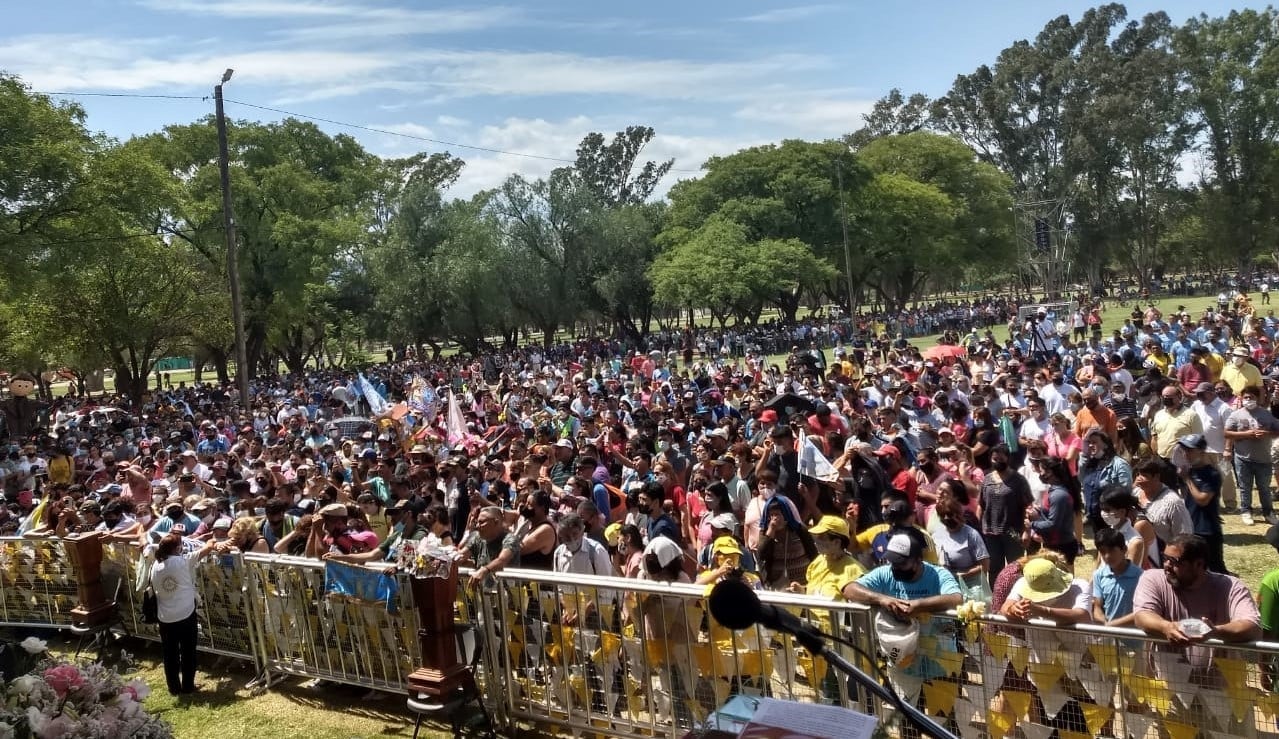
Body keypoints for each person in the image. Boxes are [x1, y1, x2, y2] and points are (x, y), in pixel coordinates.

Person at [1133, 534, 1260, 671]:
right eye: (1165, 558)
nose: (1166, 566)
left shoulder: (1231, 586)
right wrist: (1166, 627)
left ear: (1198, 564)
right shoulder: (1152, 578)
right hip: (1170, 677)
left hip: (1221, 682)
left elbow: (1251, 627)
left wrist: (1214, 631)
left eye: (1174, 561)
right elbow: (1142, 615)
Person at [149, 532, 217, 695]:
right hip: (185, 613)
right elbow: (208, 547)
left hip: (165, 617)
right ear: (178, 547)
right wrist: (212, 538)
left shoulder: (155, 566)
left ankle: (173, 687)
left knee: (169, 653)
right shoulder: (183, 561)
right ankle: (188, 686)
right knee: (188, 651)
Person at [1224, 384, 1279, 526]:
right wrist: (1246, 434)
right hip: (1243, 458)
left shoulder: (1266, 414)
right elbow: (1227, 433)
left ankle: (1268, 512)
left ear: (1257, 398)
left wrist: (1266, 433)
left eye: (1251, 397)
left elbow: (1277, 430)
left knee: (1264, 488)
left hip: (1264, 459)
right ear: (1241, 398)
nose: (1248, 399)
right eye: (1246, 397)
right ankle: (1246, 511)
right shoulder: (1235, 415)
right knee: (1244, 487)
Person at [1173, 434, 1225, 573]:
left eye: (1189, 450)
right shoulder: (1189, 471)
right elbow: (1186, 496)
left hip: (1207, 529)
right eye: (1184, 450)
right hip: (1191, 526)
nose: (1185, 454)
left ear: (1201, 451)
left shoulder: (1211, 473)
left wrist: (1187, 479)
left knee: (1215, 569)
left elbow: (1203, 499)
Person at [979, 444, 1033, 575]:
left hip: (1012, 532)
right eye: (995, 459)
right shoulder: (987, 479)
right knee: (994, 570)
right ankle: (996, 594)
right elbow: (981, 505)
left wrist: (1026, 531)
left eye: (1001, 459)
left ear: (1008, 459)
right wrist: (980, 528)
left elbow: (1028, 507)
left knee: (1015, 568)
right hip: (991, 533)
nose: (998, 462)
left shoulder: (1018, 480)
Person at [1000, 557, 1092, 625]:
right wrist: (1013, 609)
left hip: (1078, 647)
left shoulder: (1080, 586)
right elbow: (1005, 608)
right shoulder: (1022, 584)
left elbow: (1082, 616)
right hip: (1039, 648)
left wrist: (1042, 611)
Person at [1092, 527, 1140, 627]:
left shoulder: (1141, 576)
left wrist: (1113, 626)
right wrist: (1104, 623)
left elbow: (1142, 612)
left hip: (1134, 638)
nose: (1107, 556)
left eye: (1112, 550)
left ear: (1124, 550)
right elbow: (1097, 606)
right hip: (1108, 638)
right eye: (1103, 552)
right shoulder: (1099, 575)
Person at [461, 506, 520, 588]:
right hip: (483, 594)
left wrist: (485, 570)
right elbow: (462, 555)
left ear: (496, 522)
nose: (477, 526)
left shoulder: (510, 539)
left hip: (507, 595)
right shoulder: (476, 536)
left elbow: (502, 560)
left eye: (481, 522)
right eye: (477, 522)